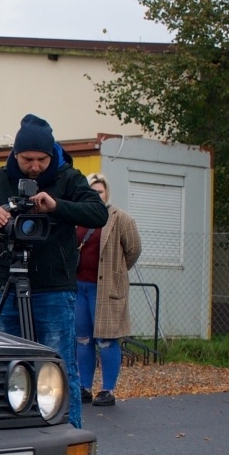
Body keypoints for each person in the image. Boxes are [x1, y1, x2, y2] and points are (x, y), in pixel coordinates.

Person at [0, 114, 107, 428]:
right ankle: (2, 437)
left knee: (60, 366)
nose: (35, 166)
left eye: (42, 159)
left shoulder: (69, 177)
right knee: (2, 367)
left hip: (54, 289)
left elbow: (97, 213)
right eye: (28, 159)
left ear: (51, 155)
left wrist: (56, 206)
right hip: (8, 287)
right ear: (15, 154)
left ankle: (68, 438)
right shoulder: (0, 179)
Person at [75, 174, 142, 407]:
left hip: (105, 290)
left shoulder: (120, 219)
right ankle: (83, 387)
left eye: (100, 192)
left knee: (106, 340)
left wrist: (116, 274)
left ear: (107, 193)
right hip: (78, 288)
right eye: (91, 191)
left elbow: (133, 250)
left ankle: (107, 390)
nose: (95, 195)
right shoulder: (76, 216)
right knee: (83, 340)